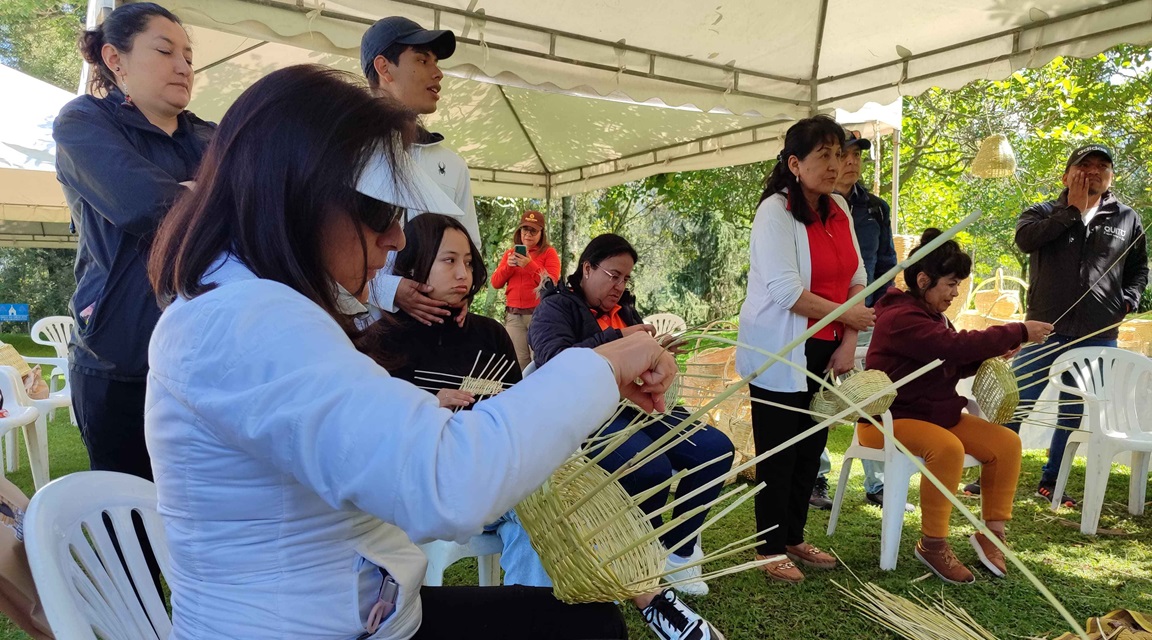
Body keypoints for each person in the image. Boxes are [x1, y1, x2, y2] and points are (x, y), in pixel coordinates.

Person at [144, 64, 721, 640]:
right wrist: (605, 362)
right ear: (298, 200)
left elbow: (359, 432)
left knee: (585, 622)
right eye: (379, 215)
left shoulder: (247, 308)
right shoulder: (242, 322)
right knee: (584, 629)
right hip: (310, 627)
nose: (395, 238)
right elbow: (445, 484)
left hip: (357, 612)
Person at [53, 2, 215, 481]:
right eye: (165, 51)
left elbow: (257, 212)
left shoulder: (212, 139)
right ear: (115, 58)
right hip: (117, 358)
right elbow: (141, 203)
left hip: (203, 356)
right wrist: (202, 198)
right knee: (128, 518)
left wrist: (191, 197)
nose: (184, 65)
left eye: (188, 55)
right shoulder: (83, 122)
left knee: (200, 509)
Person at [529, 234, 735, 598]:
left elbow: (643, 361)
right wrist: (620, 338)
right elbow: (552, 361)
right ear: (588, 268)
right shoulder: (557, 307)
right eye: (613, 275)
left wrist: (658, 352)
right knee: (650, 468)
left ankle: (679, 549)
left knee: (715, 448)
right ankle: (642, 557)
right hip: (590, 415)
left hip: (639, 408)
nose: (620, 286)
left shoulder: (626, 309)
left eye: (626, 279)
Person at [864, 228, 1052, 583]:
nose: (955, 293)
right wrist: (1019, 331)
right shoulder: (900, 317)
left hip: (934, 413)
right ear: (924, 280)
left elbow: (950, 359)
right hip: (890, 419)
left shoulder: (933, 315)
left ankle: (991, 535)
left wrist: (996, 350)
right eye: (951, 284)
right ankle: (932, 544)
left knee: (1005, 443)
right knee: (947, 449)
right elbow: (951, 348)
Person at [735, 115, 873, 584]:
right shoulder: (775, 211)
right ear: (795, 163)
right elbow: (785, 290)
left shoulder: (840, 209)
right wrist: (848, 318)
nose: (836, 165)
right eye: (824, 155)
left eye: (840, 154)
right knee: (779, 450)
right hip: (782, 349)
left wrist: (849, 339)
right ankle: (768, 548)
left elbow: (857, 277)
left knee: (811, 449)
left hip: (828, 348)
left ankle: (793, 536)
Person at [996, 144, 1148, 507]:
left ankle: (1053, 481)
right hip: (1043, 328)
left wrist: (1128, 300)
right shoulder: (1042, 211)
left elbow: (1139, 268)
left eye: (1102, 166)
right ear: (1066, 176)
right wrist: (1072, 211)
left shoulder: (1127, 218)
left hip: (1098, 334)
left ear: (1111, 177)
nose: (1094, 171)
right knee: (1018, 400)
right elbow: (1025, 240)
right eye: (1084, 166)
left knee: (1073, 409)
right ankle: (994, 471)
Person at [361, 16, 483, 327]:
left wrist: (462, 293)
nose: (438, 73)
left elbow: (471, 246)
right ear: (384, 68)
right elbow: (320, 251)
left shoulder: (452, 165)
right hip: (358, 335)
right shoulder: (347, 153)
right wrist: (388, 290)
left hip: (435, 337)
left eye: (436, 61)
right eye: (422, 59)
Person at [810, 129, 900, 510]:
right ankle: (817, 478)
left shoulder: (875, 208)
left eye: (856, 156)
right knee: (818, 400)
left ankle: (876, 481)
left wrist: (867, 313)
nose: (849, 163)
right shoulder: (808, 205)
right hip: (817, 320)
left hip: (864, 321)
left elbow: (885, 263)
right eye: (841, 155)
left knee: (872, 397)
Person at [490, 210, 561, 370]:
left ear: (541, 233)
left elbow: (551, 282)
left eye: (533, 230)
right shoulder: (510, 253)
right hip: (514, 316)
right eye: (525, 229)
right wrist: (508, 266)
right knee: (518, 362)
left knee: (539, 359)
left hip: (539, 314)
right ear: (519, 231)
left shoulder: (549, 253)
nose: (528, 234)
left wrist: (529, 265)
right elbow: (495, 283)